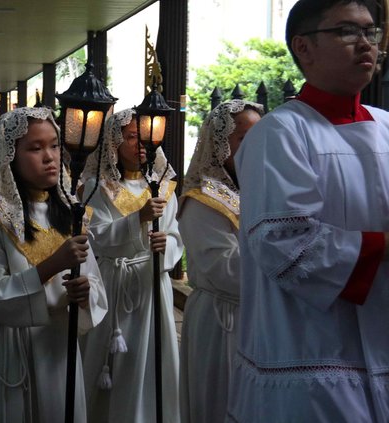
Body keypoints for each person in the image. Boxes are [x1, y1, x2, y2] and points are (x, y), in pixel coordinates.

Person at [228, 1, 389, 422]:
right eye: (348, 32)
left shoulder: (387, 126)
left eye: (372, 32)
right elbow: (284, 244)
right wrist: (382, 246)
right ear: (303, 47)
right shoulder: (279, 132)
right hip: (314, 355)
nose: (366, 44)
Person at [0, 107, 107, 423]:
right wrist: (53, 264)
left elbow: (93, 282)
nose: (49, 156)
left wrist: (84, 294)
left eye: (53, 145)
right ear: (10, 155)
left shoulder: (70, 211)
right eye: (35, 148)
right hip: (8, 348)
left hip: (57, 346)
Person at [80, 108, 183, 423]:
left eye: (145, 138)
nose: (140, 145)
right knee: (114, 361)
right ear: (113, 142)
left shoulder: (163, 186)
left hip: (153, 283)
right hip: (116, 281)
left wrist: (168, 247)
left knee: (152, 356)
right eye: (131, 137)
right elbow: (94, 237)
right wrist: (137, 220)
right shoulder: (97, 186)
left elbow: (176, 235)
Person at [177, 100, 262, 423]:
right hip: (222, 319)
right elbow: (224, 269)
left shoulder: (253, 192)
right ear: (219, 144)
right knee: (220, 402)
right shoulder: (204, 200)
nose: (253, 147)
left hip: (253, 314)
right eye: (243, 138)